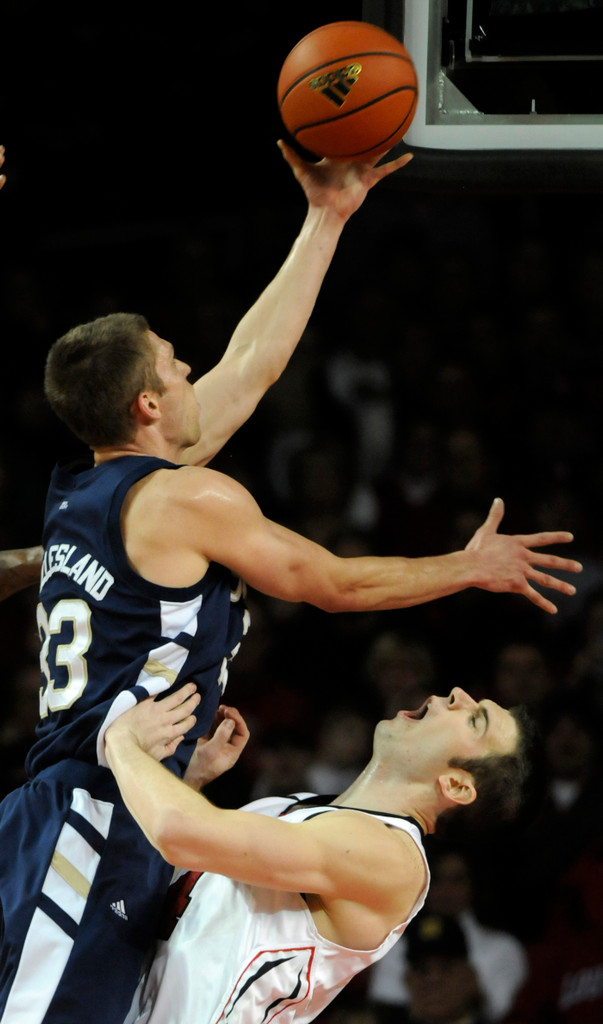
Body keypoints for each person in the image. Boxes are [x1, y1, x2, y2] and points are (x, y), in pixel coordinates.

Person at [0, 138, 580, 1024]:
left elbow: (252, 366)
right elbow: (332, 584)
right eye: (174, 366)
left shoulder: (80, 493)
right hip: (99, 805)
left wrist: (324, 218)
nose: (195, 369)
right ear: (149, 406)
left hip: (84, 800)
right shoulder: (186, 496)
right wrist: (465, 567)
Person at [101, 683, 538, 1024]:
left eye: (475, 719)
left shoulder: (392, 858)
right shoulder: (293, 805)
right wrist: (191, 781)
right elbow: (167, 873)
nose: (457, 694)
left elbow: (178, 831)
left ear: (458, 786)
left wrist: (121, 740)